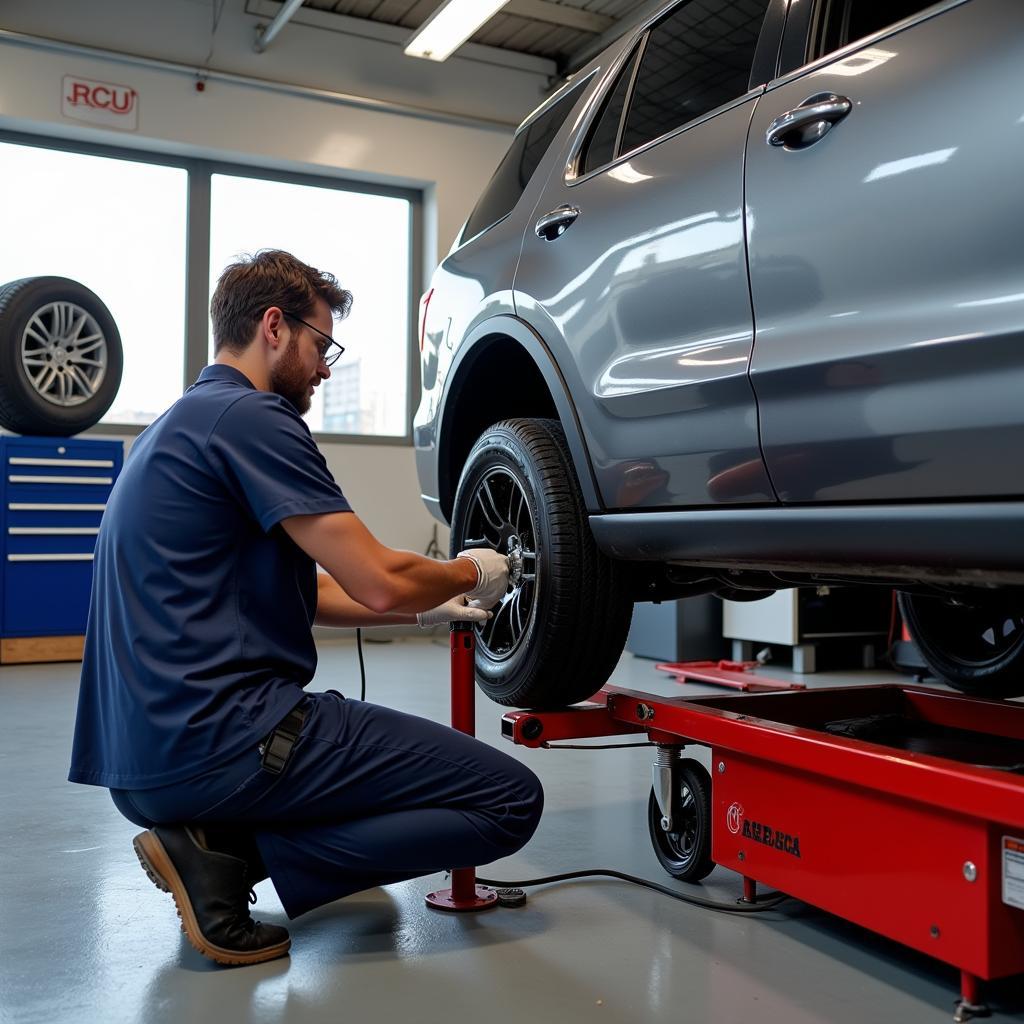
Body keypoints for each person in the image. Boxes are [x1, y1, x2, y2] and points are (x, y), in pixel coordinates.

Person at [68, 249, 544, 966]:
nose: (326, 367)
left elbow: (317, 592)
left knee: (390, 776)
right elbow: (379, 576)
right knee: (510, 799)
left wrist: (427, 610)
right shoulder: (252, 417)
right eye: (322, 345)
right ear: (273, 327)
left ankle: (211, 847)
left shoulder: (174, 427)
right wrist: (468, 570)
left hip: (142, 764)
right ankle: (226, 858)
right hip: (224, 746)